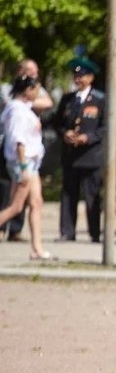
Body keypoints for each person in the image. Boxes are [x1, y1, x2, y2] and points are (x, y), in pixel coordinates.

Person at [1, 59, 54, 243]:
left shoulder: (23, 107)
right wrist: (24, 166)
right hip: (23, 162)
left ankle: (36, 248)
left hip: (31, 162)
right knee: (16, 206)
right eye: (35, 89)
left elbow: (48, 103)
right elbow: (19, 140)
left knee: (36, 202)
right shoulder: (17, 110)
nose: (37, 92)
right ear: (26, 91)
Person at [53, 57, 105, 243]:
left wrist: (88, 138)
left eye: (82, 76)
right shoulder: (68, 100)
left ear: (90, 78)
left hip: (91, 156)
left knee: (92, 196)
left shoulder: (100, 100)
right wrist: (65, 133)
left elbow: (105, 128)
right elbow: (57, 123)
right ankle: (67, 232)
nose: (78, 79)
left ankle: (94, 232)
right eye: (76, 75)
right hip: (71, 156)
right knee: (68, 195)